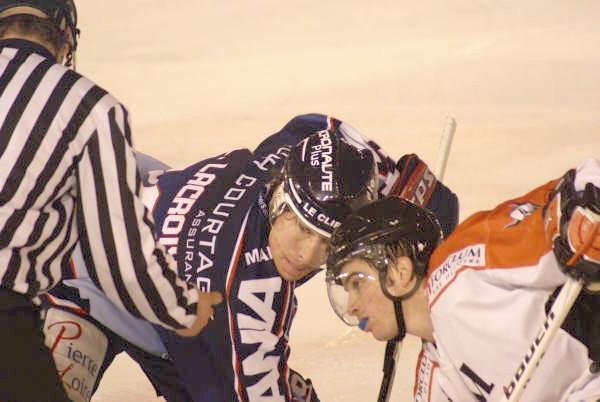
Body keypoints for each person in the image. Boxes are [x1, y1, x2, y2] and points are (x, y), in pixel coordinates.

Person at [43, 113, 460, 401]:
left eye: (328, 241)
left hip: (141, 217)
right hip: (67, 271)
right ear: (280, 195)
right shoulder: (245, 303)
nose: (307, 255)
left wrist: (416, 226)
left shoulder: (303, 151)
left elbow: (328, 131)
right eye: (299, 226)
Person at [0, 2, 218, 401]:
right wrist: (182, 311)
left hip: (62, 298)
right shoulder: (89, 108)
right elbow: (120, 257)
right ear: (65, 37)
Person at [325, 158, 600, 401]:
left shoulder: (463, 265)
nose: (352, 306)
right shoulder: (435, 377)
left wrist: (578, 216)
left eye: (357, 283)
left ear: (399, 271)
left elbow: (582, 184)